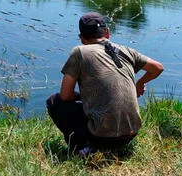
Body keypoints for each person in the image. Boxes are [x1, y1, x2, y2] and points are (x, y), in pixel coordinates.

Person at [46, 12, 164, 154]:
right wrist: (140, 83)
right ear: (107, 33)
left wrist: (83, 97)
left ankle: (82, 147)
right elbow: (157, 68)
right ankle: (102, 144)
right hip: (131, 134)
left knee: (54, 101)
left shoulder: (79, 52)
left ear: (81, 38)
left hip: (101, 137)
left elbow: (65, 96)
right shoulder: (127, 50)